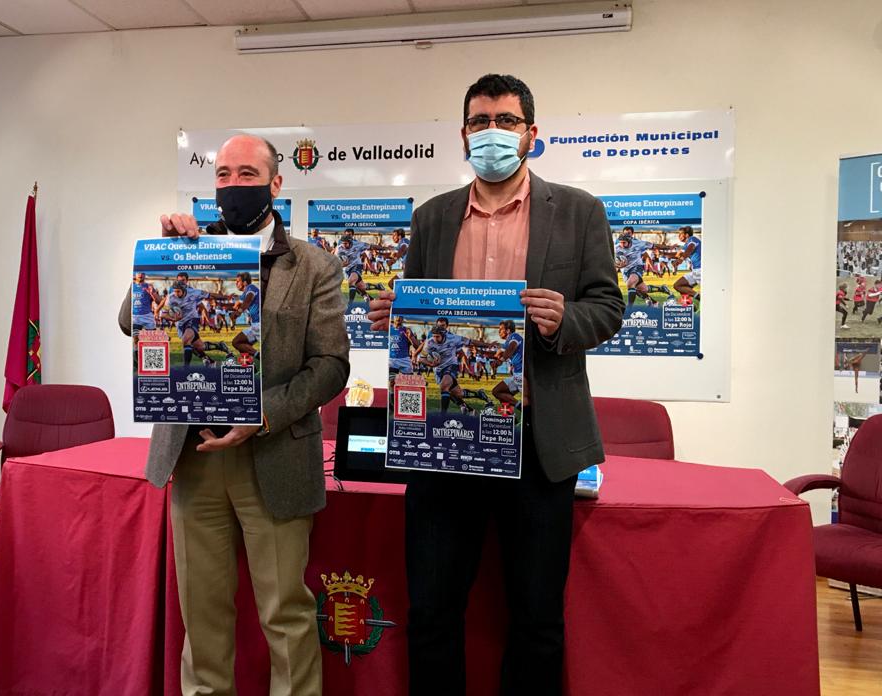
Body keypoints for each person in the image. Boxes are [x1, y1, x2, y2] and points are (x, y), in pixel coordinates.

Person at [368, 73, 623, 696]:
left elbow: (608, 307)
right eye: (480, 122)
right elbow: (422, 316)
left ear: (532, 134)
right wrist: (398, 316)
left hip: (538, 442)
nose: (492, 133)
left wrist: (565, 318)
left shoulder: (579, 211)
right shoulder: (432, 217)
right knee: (432, 612)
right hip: (444, 439)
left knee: (536, 618)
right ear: (463, 135)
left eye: (505, 121)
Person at [119, 134, 349, 696]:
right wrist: (160, 260)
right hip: (193, 458)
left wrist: (261, 415)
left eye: (247, 174)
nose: (233, 186)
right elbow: (130, 322)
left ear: (275, 184)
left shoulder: (315, 265)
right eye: (223, 175)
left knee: (285, 614)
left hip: (273, 455)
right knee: (202, 615)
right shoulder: (188, 251)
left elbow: (331, 366)